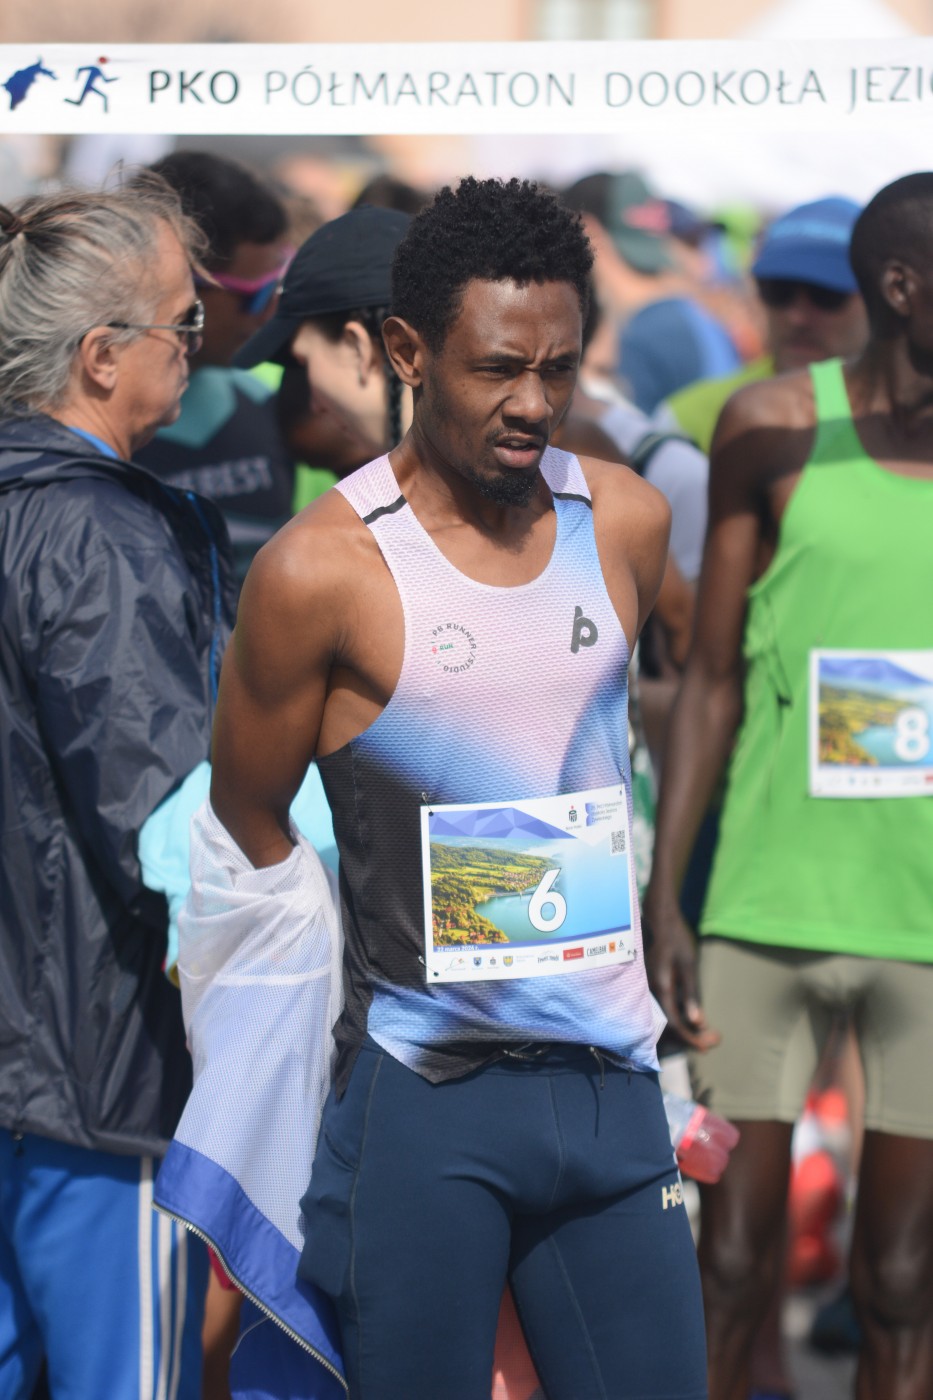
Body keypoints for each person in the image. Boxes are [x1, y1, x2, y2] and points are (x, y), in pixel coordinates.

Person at [209, 176, 706, 1400]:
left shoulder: (625, 519)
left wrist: (663, 900)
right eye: (498, 369)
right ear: (407, 350)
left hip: (610, 1085)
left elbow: (691, 687)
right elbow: (247, 814)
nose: (533, 401)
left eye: (560, 368)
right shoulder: (320, 570)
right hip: (429, 1100)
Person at [644, 172, 933, 1400]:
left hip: (923, 922)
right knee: (727, 1266)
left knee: (904, 1279)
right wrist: (670, 892)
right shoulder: (770, 425)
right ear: (904, 287)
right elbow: (708, 677)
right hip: (762, 904)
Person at [0, 183, 236, 1397]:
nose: (199, 346)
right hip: (100, 1070)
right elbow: (165, 827)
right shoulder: (100, 532)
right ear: (101, 355)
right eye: (185, 323)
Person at [135, 150, 295, 584]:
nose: (269, 314)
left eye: (279, 286)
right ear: (182, 284)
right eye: (255, 296)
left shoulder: (267, 399)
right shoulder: (101, 429)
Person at [660, 196, 867, 452]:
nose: (796, 317)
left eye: (826, 295)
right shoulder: (685, 419)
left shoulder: (905, 422)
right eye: (778, 291)